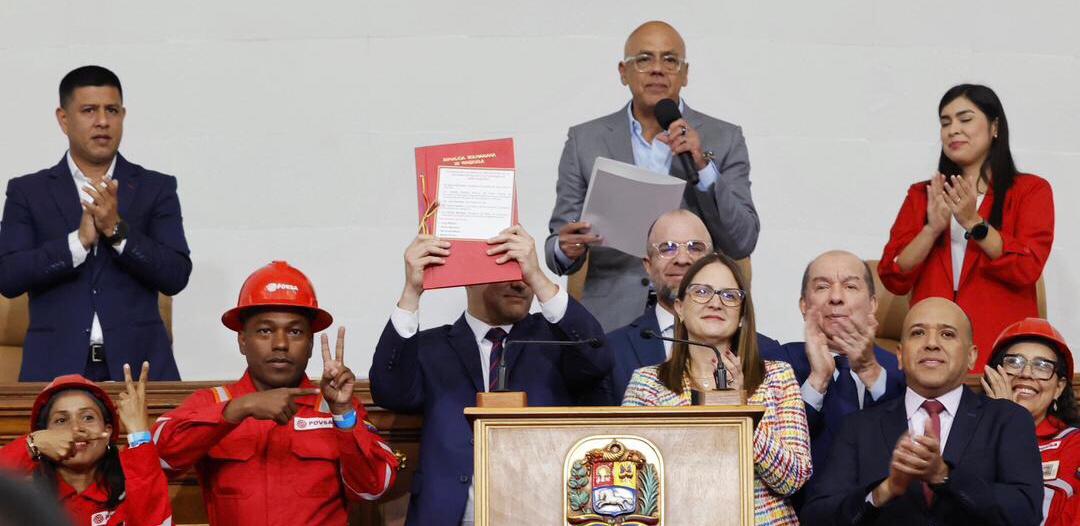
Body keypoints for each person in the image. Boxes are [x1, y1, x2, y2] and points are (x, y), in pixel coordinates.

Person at [370, 225, 612, 525]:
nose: (519, 283)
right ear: (468, 276)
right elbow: (389, 390)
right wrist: (411, 291)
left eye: (523, 270)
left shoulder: (556, 342)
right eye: (505, 268)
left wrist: (538, 276)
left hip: (539, 514)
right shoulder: (432, 348)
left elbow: (598, 359)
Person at [545, 20, 759, 331]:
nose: (658, 69)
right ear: (623, 72)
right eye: (644, 59)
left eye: (670, 60)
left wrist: (702, 167)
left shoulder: (723, 137)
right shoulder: (585, 140)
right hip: (611, 319)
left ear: (685, 74)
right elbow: (556, 247)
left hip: (698, 314)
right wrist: (565, 249)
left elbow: (742, 241)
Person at [152, 261, 398, 525]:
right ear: (242, 340)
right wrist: (239, 409)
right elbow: (157, 458)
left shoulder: (338, 407)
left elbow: (374, 488)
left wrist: (342, 414)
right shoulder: (213, 401)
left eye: (295, 331)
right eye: (265, 331)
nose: (280, 344)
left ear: (310, 344)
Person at [0, 65, 192, 381]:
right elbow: (8, 277)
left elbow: (176, 275)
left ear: (123, 116)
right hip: (54, 373)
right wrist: (77, 243)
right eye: (89, 110)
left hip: (140, 372)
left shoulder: (155, 187)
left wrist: (117, 231)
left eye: (112, 110)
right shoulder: (28, 192)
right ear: (64, 119)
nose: (102, 121)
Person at [801, 298, 1043, 525]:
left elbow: (1025, 512)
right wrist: (883, 492)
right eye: (918, 333)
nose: (931, 343)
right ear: (899, 355)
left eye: (947, 334)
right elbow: (816, 516)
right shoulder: (859, 427)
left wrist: (943, 476)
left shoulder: (1008, 419)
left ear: (971, 356)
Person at [622, 252, 811, 525]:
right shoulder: (647, 383)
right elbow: (632, 479)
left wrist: (742, 411)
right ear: (680, 308)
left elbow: (793, 479)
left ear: (742, 315)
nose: (715, 302)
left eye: (729, 296)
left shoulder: (777, 376)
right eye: (701, 292)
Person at [879, 84, 1053, 371]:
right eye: (945, 122)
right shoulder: (923, 195)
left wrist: (974, 222)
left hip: (999, 352)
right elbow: (893, 275)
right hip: (932, 354)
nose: (953, 130)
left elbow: (1027, 268)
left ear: (994, 127)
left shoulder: (1030, 191)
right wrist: (931, 230)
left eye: (965, 119)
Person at [763, 251, 905, 507]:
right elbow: (772, 454)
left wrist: (871, 373)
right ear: (804, 305)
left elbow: (907, 443)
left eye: (850, 286)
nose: (836, 297)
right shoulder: (778, 364)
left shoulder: (901, 368)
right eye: (822, 287)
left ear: (873, 304)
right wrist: (816, 381)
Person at [603, 209, 779, 405]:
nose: (682, 259)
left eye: (695, 247)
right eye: (667, 248)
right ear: (648, 265)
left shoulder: (768, 352)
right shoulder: (613, 351)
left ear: (712, 259)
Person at [0, 367, 173, 525]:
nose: (76, 428)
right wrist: (32, 445)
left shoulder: (132, 491)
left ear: (108, 432)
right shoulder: (23, 498)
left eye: (88, 417)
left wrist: (139, 434)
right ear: (44, 436)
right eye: (61, 420)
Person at [982, 318, 1079, 526]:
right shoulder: (967, 433)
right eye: (1014, 362)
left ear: (1059, 387)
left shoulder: (1074, 444)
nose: (1026, 373)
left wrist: (1010, 420)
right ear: (994, 375)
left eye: (1042, 366)